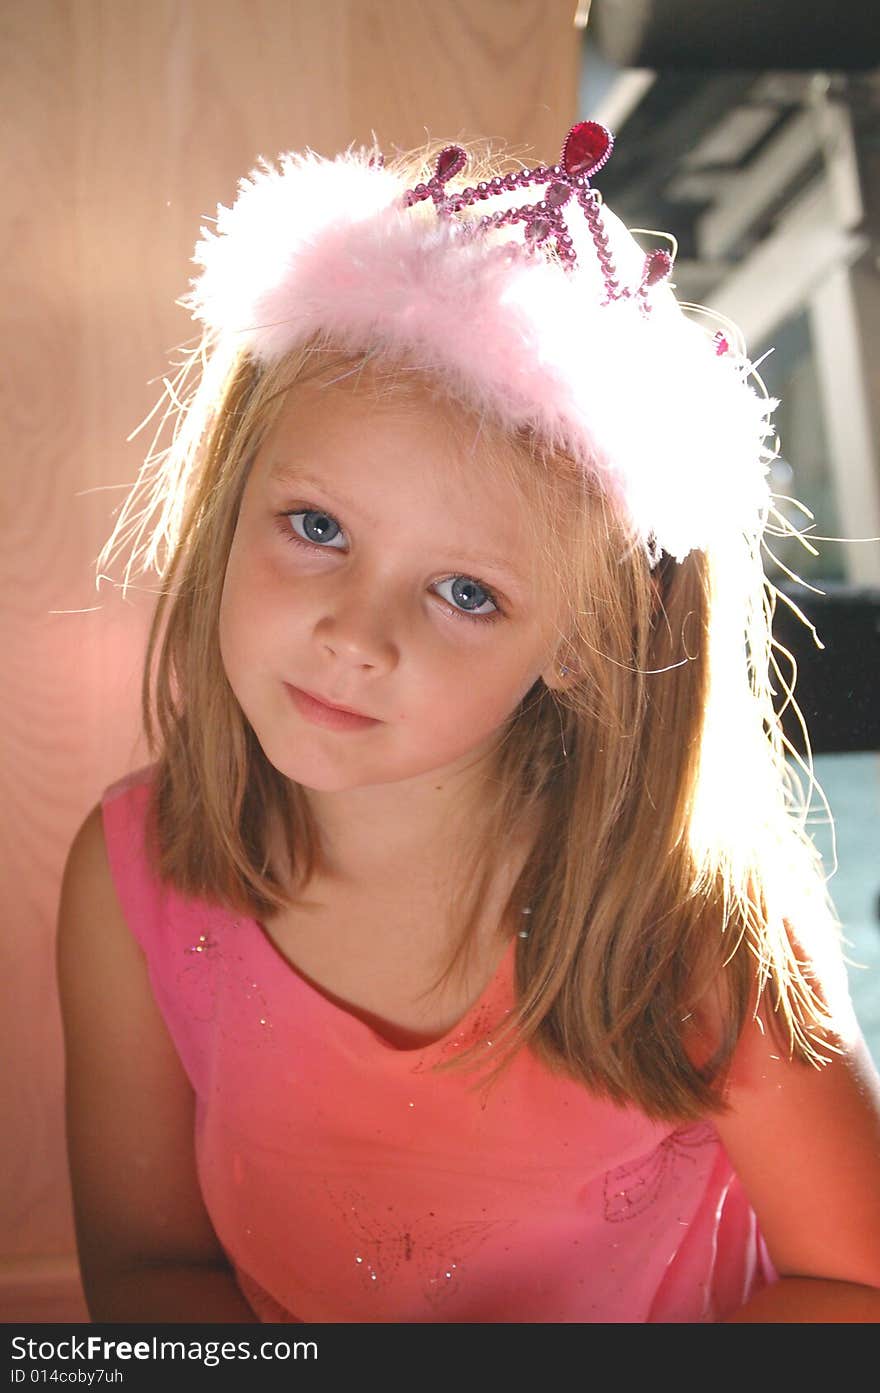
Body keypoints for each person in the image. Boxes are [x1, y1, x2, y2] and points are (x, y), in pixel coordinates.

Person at [56, 120, 880, 1324]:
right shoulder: (132, 877)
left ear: (587, 649)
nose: (355, 634)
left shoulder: (692, 932)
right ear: (231, 496)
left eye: (465, 593)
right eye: (319, 528)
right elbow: (144, 1271)